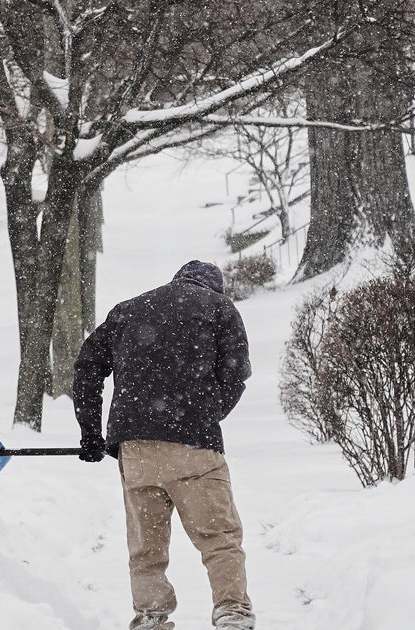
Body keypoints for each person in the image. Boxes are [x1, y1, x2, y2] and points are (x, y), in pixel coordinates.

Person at [72, 260, 254, 630]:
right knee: (219, 538)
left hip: (136, 448)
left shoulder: (129, 309)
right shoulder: (220, 308)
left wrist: (91, 432)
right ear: (213, 288)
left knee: (146, 548)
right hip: (194, 448)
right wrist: (207, 414)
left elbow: (87, 366)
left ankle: (151, 617)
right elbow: (236, 373)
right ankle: (232, 611)